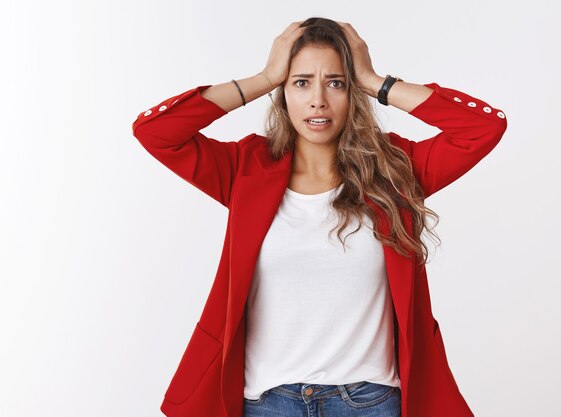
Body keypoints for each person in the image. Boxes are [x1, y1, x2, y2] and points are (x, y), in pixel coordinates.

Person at [132, 17, 507, 417]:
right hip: (267, 403)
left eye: (336, 82)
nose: (318, 100)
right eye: (301, 82)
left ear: (353, 93)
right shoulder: (244, 170)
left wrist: (375, 80)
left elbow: (482, 128)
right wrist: (263, 78)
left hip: (370, 402)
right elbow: (157, 132)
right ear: (283, 93)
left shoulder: (395, 170)